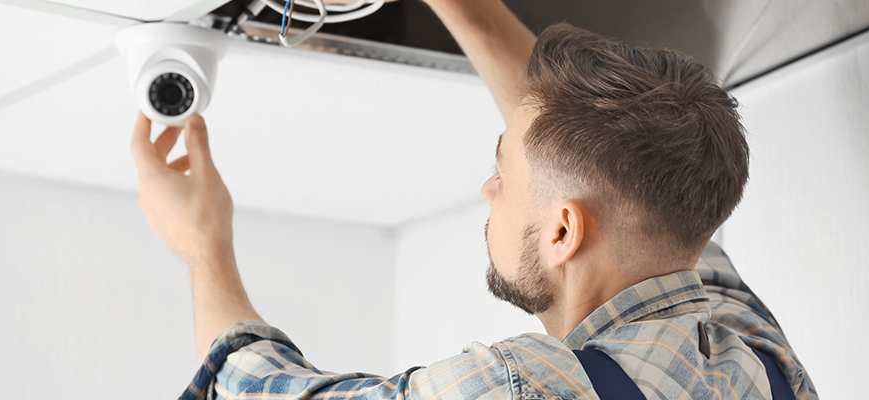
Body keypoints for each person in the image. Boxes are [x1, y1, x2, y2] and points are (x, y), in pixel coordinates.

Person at [129, 0, 818, 399]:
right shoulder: (758, 367)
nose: (488, 189)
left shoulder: (524, 388)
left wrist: (202, 245)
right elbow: (624, 182)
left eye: (502, 172)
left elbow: (256, 391)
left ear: (563, 232)